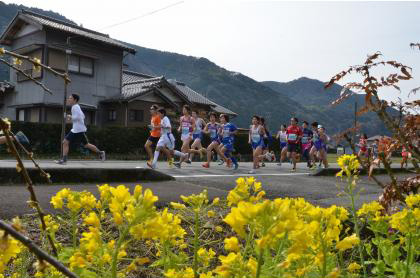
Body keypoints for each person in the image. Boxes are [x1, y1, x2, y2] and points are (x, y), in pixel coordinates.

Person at [56, 94, 105, 165]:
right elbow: (83, 116)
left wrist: (70, 116)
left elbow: (78, 117)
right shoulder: (77, 107)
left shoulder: (74, 107)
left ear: (75, 100)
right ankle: (101, 153)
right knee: (86, 144)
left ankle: (64, 160)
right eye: (69, 98)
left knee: (65, 142)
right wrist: (72, 117)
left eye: (70, 98)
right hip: (79, 129)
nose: (69, 99)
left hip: (76, 130)